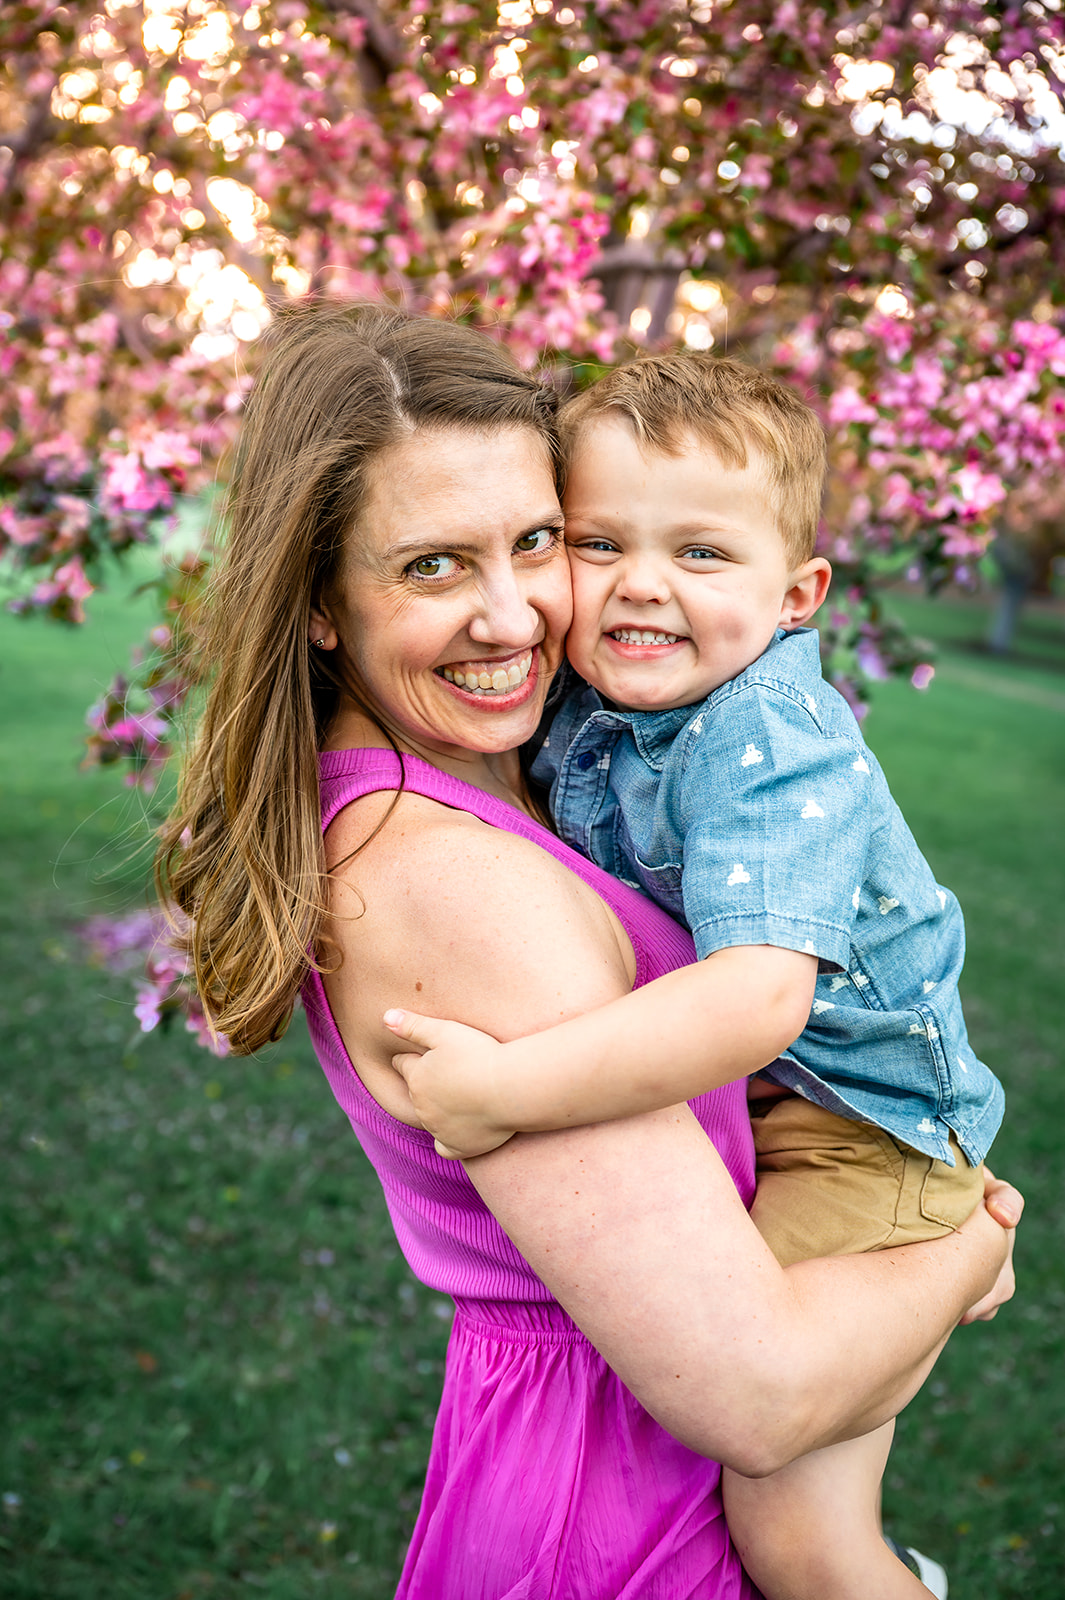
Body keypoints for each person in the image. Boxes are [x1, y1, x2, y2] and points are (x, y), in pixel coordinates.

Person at [159, 303, 1020, 1600]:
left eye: (538, 540)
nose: (513, 617)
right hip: (621, 1505)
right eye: (434, 566)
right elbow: (760, 1393)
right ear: (322, 603)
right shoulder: (450, 880)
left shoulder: (541, 755)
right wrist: (970, 1245)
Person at [384, 352, 1007, 1597]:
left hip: (862, 1134)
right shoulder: (603, 696)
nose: (641, 585)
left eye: (703, 554)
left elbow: (759, 999)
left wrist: (510, 1089)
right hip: (780, 1113)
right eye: (598, 542)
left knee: (798, 1534)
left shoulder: (766, 737)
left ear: (798, 594)